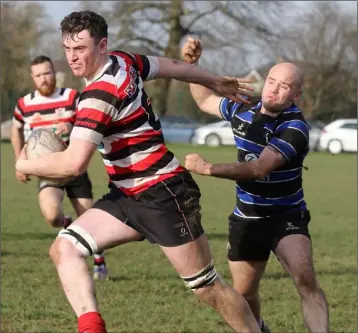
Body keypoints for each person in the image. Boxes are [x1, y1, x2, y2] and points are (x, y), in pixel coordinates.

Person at [15, 10, 261, 333]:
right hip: (126, 194)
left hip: (164, 193)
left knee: (207, 288)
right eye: (67, 49)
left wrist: (23, 162)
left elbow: (74, 163)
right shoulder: (123, 61)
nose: (72, 58)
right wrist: (211, 79)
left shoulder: (98, 94)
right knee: (65, 248)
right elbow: (167, 65)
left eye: (81, 49)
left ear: (102, 45)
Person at [181, 37, 330, 333]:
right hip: (248, 216)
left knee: (305, 276)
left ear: (296, 94)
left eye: (284, 85)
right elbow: (204, 100)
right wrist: (192, 65)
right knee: (245, 294)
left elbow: (258, 168)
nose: (274, 88)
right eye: (271, 81)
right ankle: (259, 328)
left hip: (286, 216)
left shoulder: (294, 127)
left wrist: (207, 168)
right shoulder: (243, 107)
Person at [11, 55, 108, 280]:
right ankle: (68, 226)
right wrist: (19, 161)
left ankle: (99, 262)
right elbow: (15, 129)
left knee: (89, 218)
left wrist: (73, 126)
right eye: (38, 75)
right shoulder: (24, 104)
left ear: (54, 72)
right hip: (48, 171)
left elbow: (92, 121)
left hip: (74, 166)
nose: (44, 79)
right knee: (52, 216)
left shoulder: (72, 97)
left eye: (47, 73)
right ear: (32, 78)